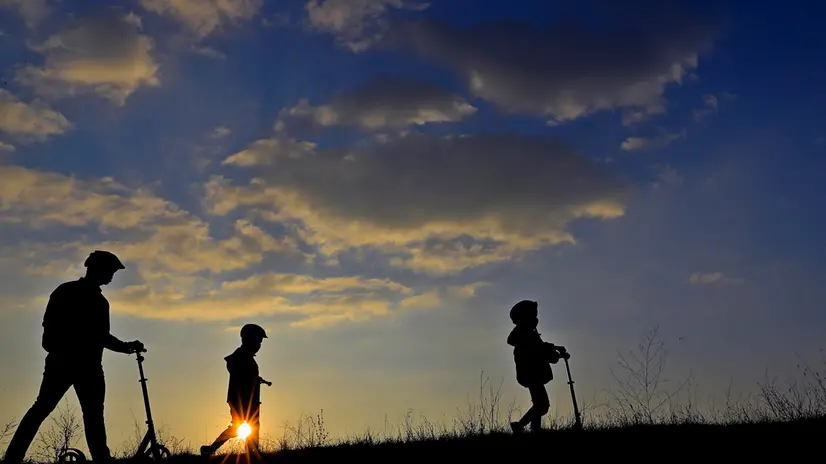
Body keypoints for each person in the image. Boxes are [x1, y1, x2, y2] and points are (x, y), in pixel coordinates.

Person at [3, 250, 145, 464]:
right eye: (110, 271)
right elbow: (58, 330)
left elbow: (101, 337)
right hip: (70, 364)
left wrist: (126, 347)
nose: (112, 276)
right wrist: (123, 347)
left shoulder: (91, 299)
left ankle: (100, 458)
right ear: (97, 269)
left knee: (85, 413)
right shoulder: (73, 294)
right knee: (55, 410)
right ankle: (13, 458)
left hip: (80, 365)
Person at [201, 324, 270, 457]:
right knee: (240, 426)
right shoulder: (239, 357)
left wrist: (256, 379)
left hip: (249, 398)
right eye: (257, 342)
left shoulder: (246, 357)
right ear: (248, 340)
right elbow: (237, 372)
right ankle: (212, 449)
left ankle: (251, 450)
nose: (259, 346)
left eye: (260, 343)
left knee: (252, 424)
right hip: (240, 399)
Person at [506, 299, 568, 434]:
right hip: (532, 374)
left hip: (532, 374)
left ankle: (536, 429)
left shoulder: (527, 333)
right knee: (542, 406)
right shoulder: (525, 334)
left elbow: (540, 347)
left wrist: (555, 349)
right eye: (533, 315)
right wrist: (554, 353)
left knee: (538, 404)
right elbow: (538, 350)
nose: (536, 318)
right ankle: (519, 425)